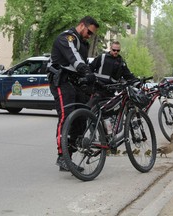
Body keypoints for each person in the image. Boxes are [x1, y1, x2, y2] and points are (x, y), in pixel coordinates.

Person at [48, 16, 99, 171]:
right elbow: (74, 58)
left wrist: (93, 78)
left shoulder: (83, 43)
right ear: (82, 25)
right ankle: (62, 157)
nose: (89, 36)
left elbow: (84, 63)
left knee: (81, 118)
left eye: (92, 34)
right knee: (66, 115)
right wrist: (85, 70)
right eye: (89, 32)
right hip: (61, 80)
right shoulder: (66, 37)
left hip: (75, 82)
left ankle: (68, 157)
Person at [89, 41, 139, 105]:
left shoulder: (121, 62)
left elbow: (128, 75)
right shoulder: (102, 57)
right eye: (114, 50)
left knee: (112, 109)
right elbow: (90, 67)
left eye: (118, 50)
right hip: (98, 88)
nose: (116, 52)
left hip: (110, 90)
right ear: (110, 48)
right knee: (91, 106)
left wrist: (136, 81)